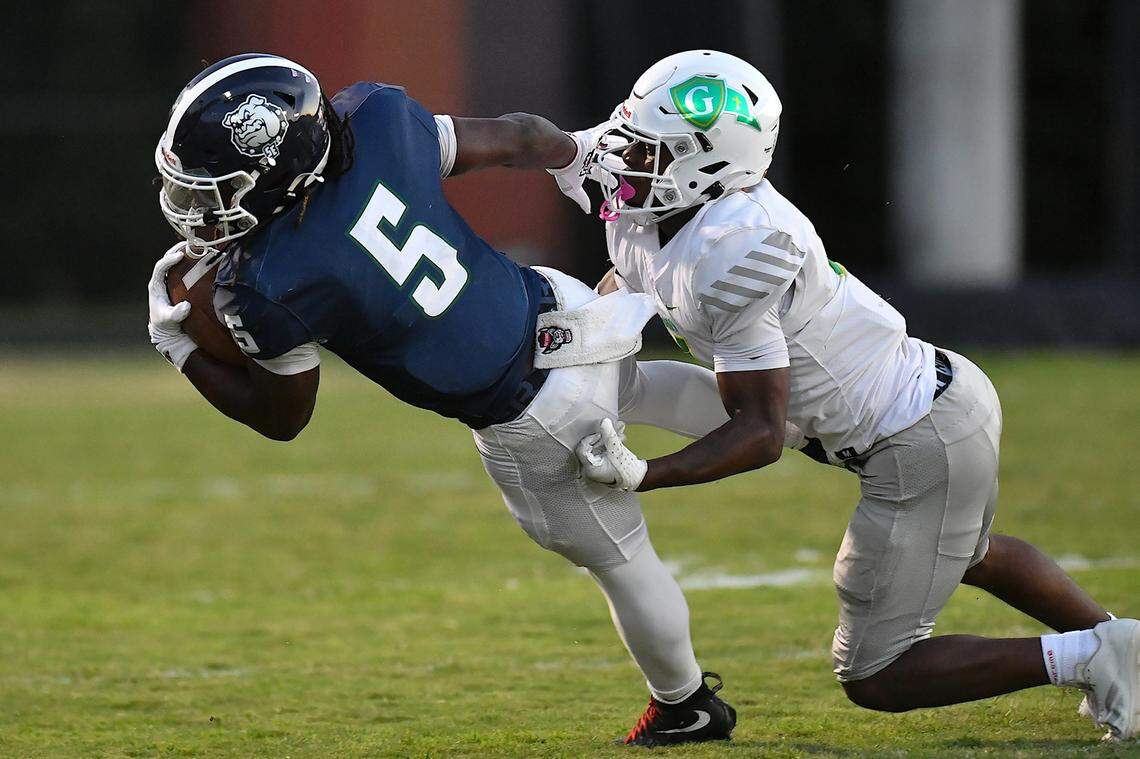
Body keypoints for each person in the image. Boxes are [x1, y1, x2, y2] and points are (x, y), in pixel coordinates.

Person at [146, 53, 763, 747]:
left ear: (278, 168)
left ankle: (685, 705)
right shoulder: (376, 120)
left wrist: (180, 346)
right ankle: (786, 423)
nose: (201, 207)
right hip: (564, 305)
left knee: (624, 564)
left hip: (532, 413)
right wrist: (578, 154)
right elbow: (521, 136)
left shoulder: (263, 283)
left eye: (220, 188)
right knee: (636, 384)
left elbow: (283, 417)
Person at [551, 49, 1138, 742]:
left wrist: (646, 474)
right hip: (935, 401)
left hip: (916, 437)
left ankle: (1093, 656)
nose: (627, 159)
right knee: (966, 553)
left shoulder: (736, 248)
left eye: (652, 150)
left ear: (707, 164)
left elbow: (760, 432)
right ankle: (1121, 647)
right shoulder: (662, 218)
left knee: (875, 670)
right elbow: (542, 152)